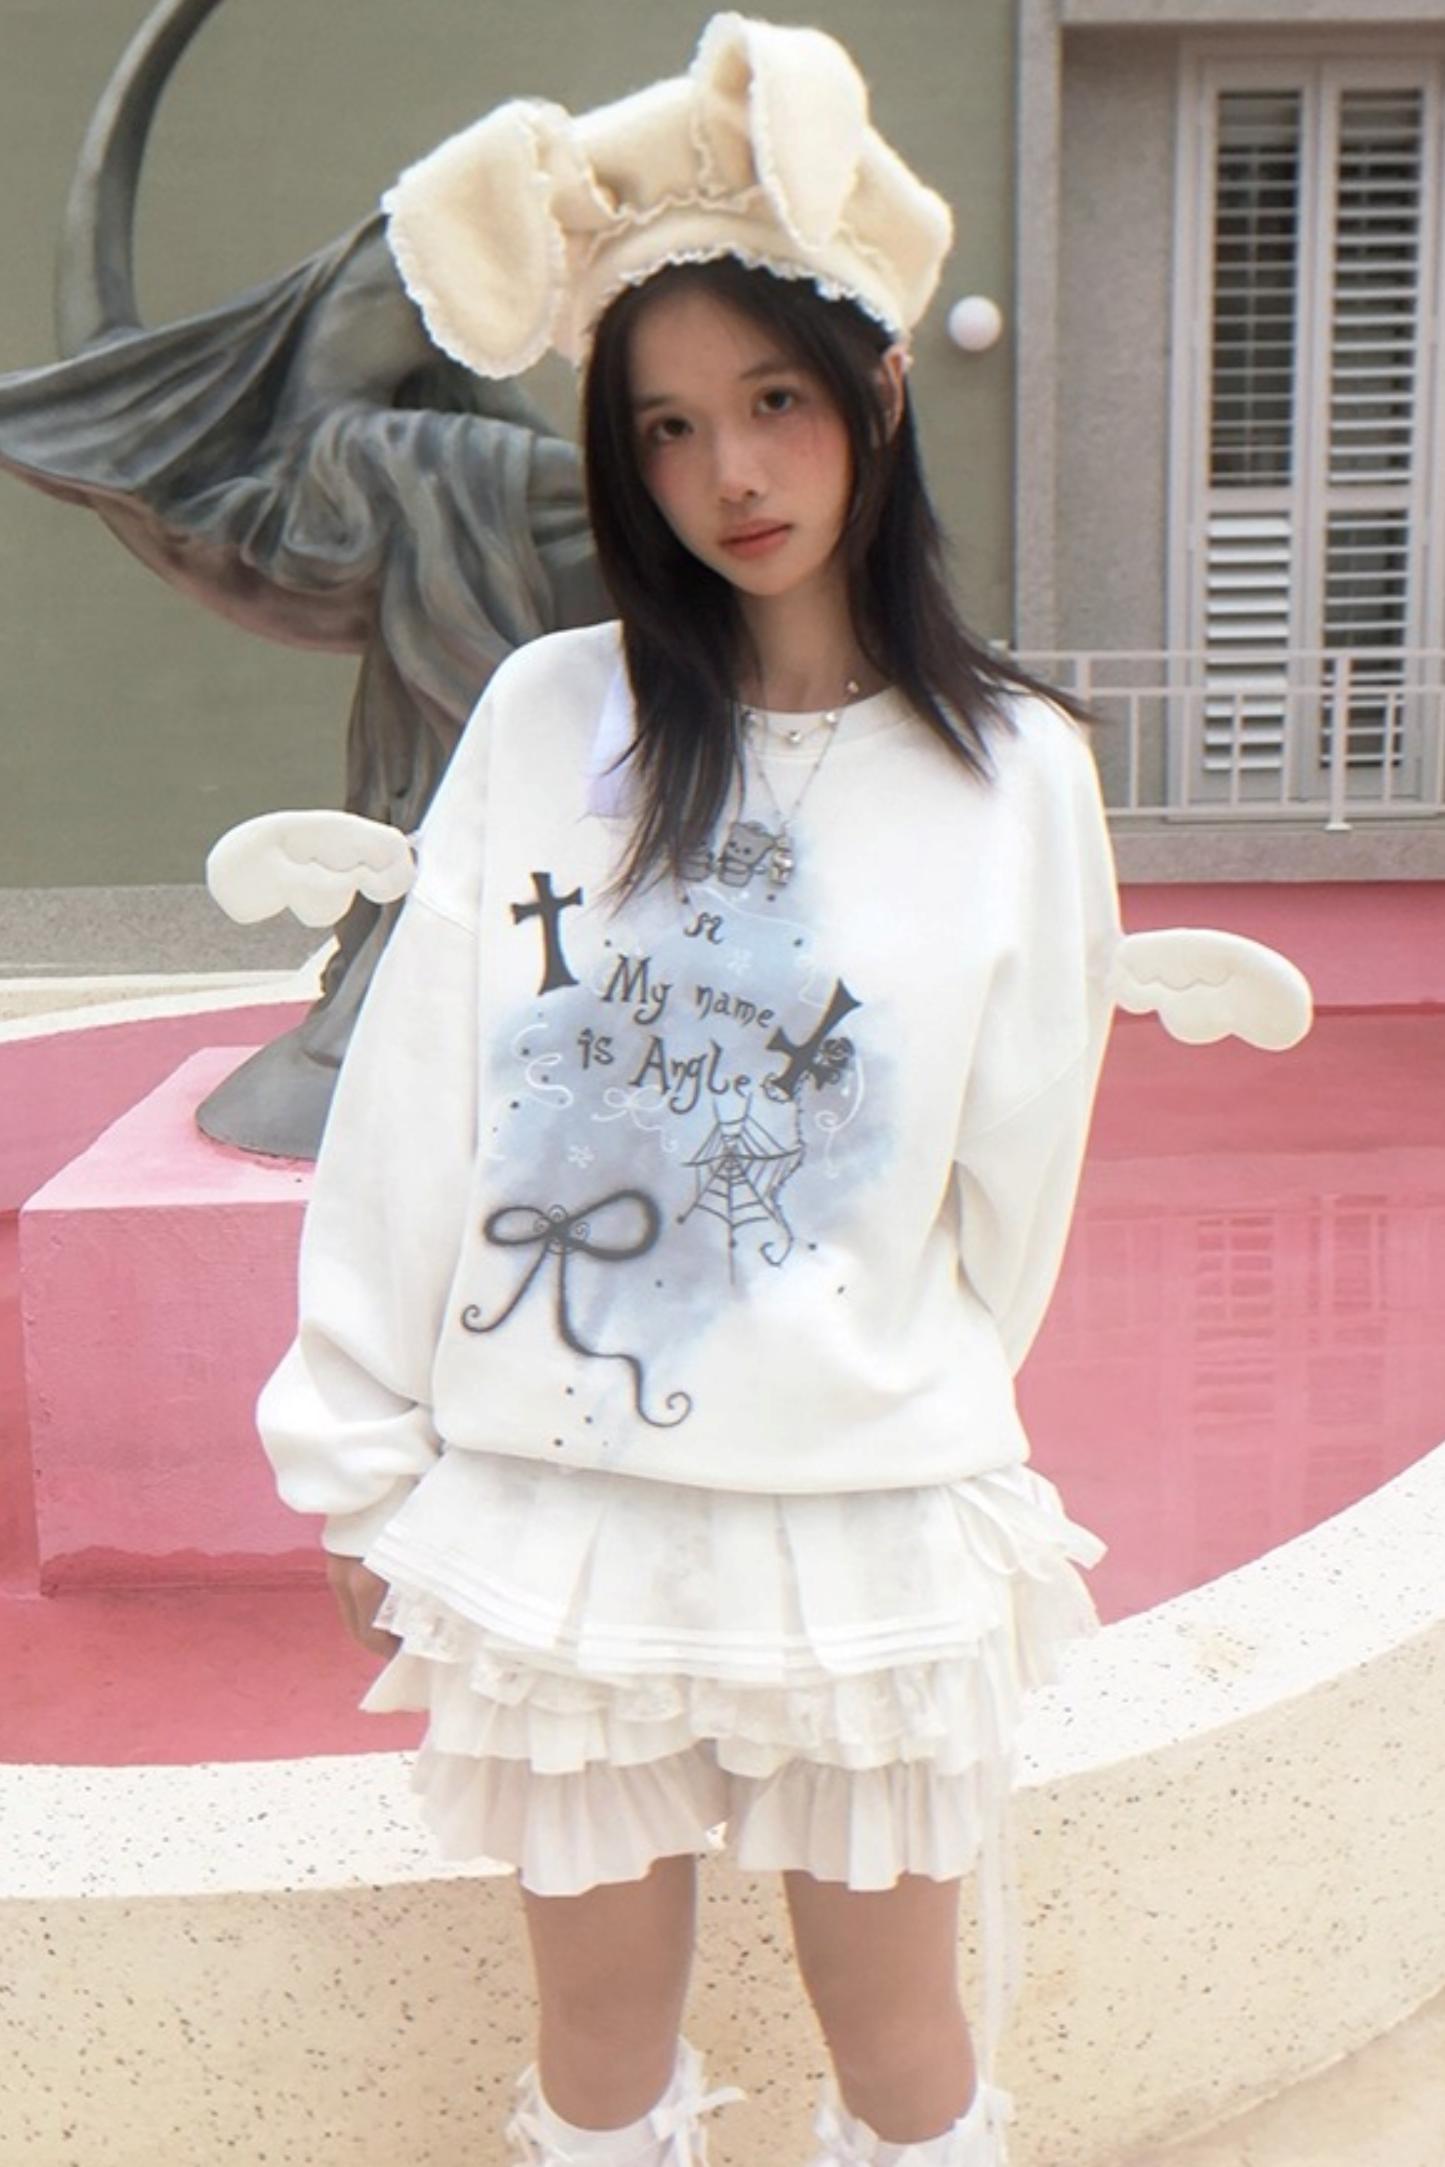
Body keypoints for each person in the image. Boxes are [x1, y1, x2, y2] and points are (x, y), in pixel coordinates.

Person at [257, 16, 1122, 2166]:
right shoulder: (552, 717)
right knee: (597, 2052)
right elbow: (419, 1099)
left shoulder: (1017, 771)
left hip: (862, 1518)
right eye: (666, 428)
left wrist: (884, 1390)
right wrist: (358, 1460)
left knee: (902, 2053)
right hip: (558, 1516)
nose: (731, 471)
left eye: (771, 402)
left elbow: (1015, 1178)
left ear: (875, 393)